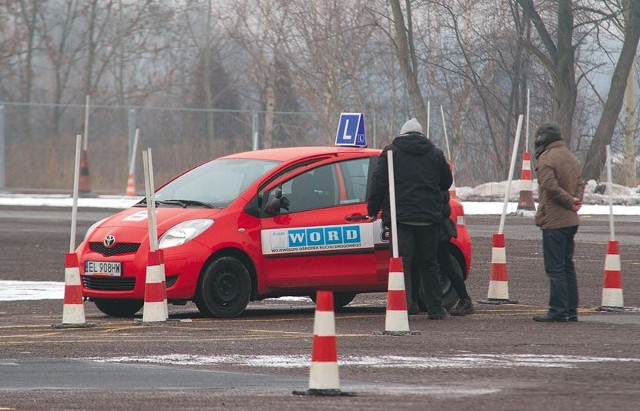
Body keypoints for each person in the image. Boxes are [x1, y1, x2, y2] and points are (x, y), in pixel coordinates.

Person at [366, 118, 453, 319]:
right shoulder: (436, 154)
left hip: (400, 218)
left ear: (402, 133)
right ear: (421, 134)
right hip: (428, 217)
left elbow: (378, 182)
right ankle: (435, 308)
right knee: (429, 263)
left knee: (401, 263)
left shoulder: (390, 153)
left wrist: (373, 208)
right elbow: (446, 182)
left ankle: (404, 306)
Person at [532, 122, 585, 322]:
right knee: (567, 265)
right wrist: (575, 200)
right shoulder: (571, 157)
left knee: (555, 268)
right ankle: (571, 309)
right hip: (571, 220)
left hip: (555, 220)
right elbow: (580, 182)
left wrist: (569, 201)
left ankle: (558, 309)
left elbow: (549, 186)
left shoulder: (547, 158)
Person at [438, 190, 474, 316]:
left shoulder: (430, 176)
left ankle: (464, 299)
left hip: (438, 226)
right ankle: (464, 299)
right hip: (439, 224)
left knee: (444, 264)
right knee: (444, 264)